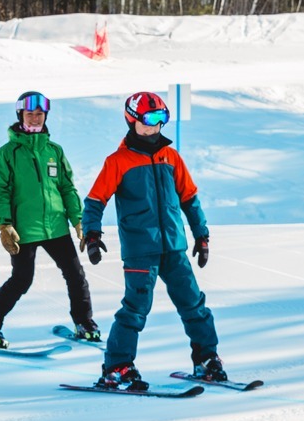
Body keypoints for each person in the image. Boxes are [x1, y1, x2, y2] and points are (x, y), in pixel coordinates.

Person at [81, 91, 226, 391]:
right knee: (135, 309)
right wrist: (92, 234)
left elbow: (189, 198)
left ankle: (206, 358)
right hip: (140, 250)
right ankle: (117, 367)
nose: (153, 128)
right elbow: (95, 200)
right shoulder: (117, 162)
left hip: (174, 247)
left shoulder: (171, 157)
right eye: (147, 121)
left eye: (159, 120)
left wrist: (201, 234)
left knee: (193, 304)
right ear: (131, 120)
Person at [0, 90, 99, 347]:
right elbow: (0, 191)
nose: (35, 118)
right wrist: (5, 224)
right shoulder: (7, 153)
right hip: (24, 229)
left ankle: (84, 322)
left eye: (40, 114)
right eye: (30, 114)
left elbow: (67, 188)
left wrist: (78, 220)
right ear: (20, 115)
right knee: (21, 280)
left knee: (75, 274)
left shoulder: (54, 151)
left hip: (56, 227)